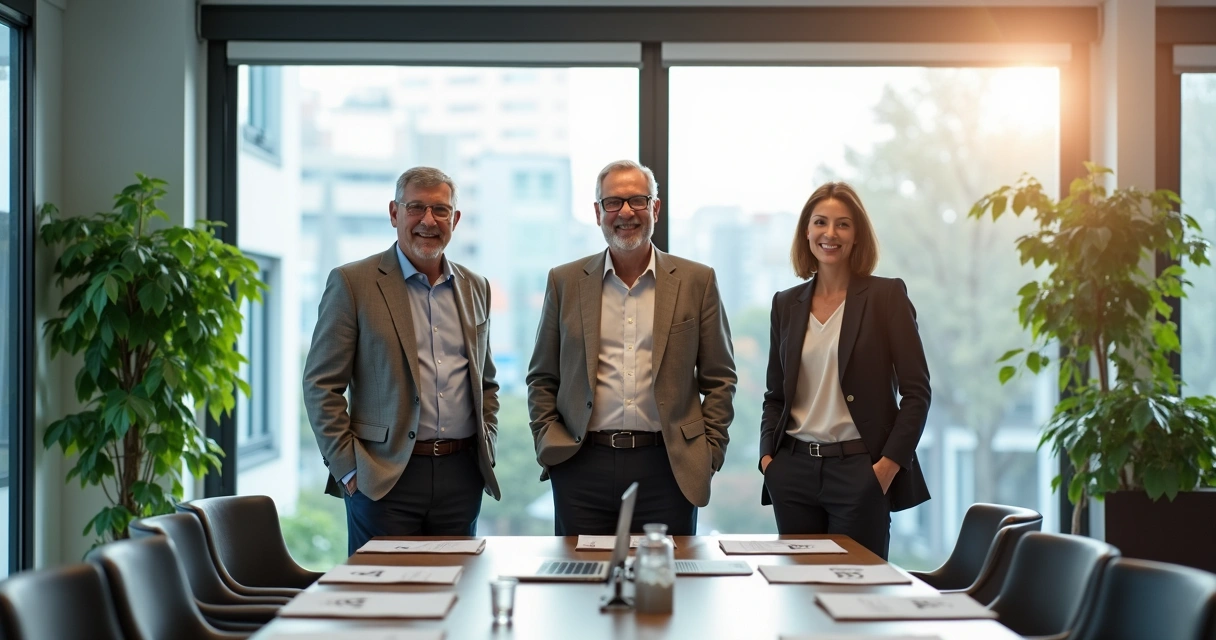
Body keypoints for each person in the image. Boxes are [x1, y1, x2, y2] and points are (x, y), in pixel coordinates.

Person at [527, 159, 737, 536]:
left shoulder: (696, 281)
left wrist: (709, 453)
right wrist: (550, 442)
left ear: (655, 208)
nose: (626, 212)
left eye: (638, 200)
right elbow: (542, 376)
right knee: (582, 584)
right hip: (581, 465)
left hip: (669, 466)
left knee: (662, 583)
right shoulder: (565, 281)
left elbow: (720, 378)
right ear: (597, 213)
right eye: (613, 202)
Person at [303, 166, 500, 555]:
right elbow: (320, 385)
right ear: (394, 213)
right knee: (382, 602)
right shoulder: (353, 283)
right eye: (416, 208)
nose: (429, 220)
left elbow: (486, 382)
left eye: (441, 210)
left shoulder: (476, 287)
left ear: (455, 220)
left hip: (461, 475)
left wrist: (486, 443)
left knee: (455, 594)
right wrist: (350, 470)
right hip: (383, 477)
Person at [759, 181, 931, 560]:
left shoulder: (886, 297)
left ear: (857, 236)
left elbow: (917, 392)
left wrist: (887, 467)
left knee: (857, 593)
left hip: (860, 471)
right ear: (807, 232)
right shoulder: (786, 304)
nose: (830, 234)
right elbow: (776, 396)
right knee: (799, 592)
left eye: (843, 224)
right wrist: (769, 461)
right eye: (820, 222)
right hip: (793, 472)